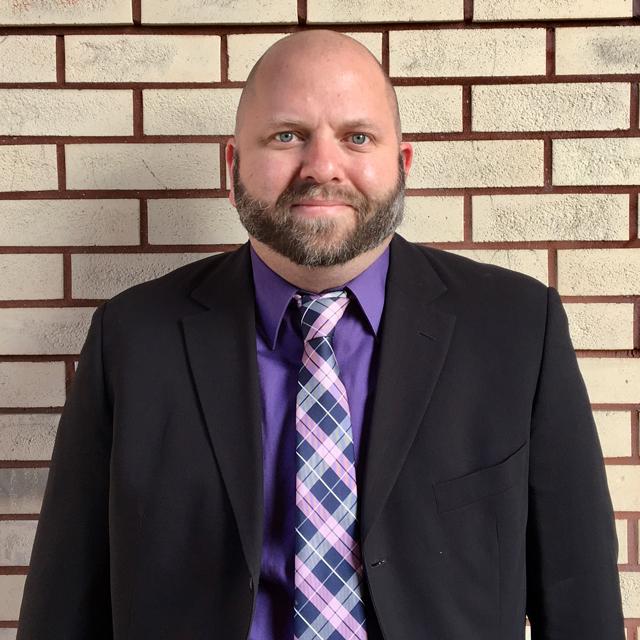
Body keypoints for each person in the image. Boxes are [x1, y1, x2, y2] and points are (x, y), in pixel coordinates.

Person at [17, 29, 624, 640]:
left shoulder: (517, 329)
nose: (322, 167)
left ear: (401, 164)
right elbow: (65, 605)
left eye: (357, 137)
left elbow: (580, 597)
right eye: (288, 136)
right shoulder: (131, 339)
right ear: (232, 166)